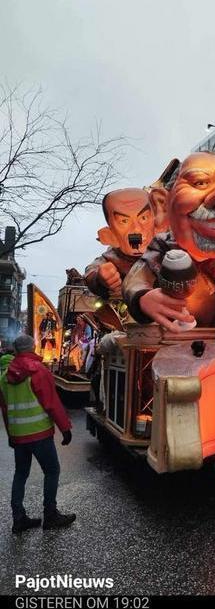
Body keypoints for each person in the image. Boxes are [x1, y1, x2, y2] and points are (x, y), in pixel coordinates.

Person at [122, 151, 215, 330]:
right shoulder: (163, 247)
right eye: (200, 182)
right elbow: (136, 279)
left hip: (211, 340)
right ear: (163, 204)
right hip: (167, 340)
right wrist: (142, 298)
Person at [0, 334, 76, 533]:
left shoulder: (4, 377)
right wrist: (65, 428)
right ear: (33, 347)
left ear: (16, 350)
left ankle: (19, 519)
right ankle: (50, 515)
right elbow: (51, 402)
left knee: (20, 474)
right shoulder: (39, 371)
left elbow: (6, 409)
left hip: (18, 435)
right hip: (40, 434)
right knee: (52, 471)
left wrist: (11, 435)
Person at [84, 187, 161, 300]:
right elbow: (91, 272)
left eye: (143, 218)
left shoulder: (165, 246)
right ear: (109, 235)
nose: (136, 229)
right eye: (124, 221)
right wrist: (100, 278)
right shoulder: (112, 257)